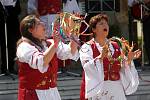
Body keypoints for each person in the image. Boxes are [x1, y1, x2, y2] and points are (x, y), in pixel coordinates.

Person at [79, 13, 141, 100]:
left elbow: (122, 66)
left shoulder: (115, 45)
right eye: (101, 24)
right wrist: (100, 57)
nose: (105, 25)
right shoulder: (87, 47)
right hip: (98, 88)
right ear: (93, 29)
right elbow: (87, 66)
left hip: (116, 88)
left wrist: (129, 60)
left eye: (106, 23)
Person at [16, 15, 79, 100]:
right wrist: (55, 44)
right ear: (30, 30)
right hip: (32, 94)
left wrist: (74, 30)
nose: (43, 24)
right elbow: (41, 62)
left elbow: (71, 51)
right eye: (38, 23)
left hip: (51, 93)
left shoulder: (49, 43)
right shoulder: (24, 47)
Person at [0, 0, 21, 74]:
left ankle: (11, 67)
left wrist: (11, 11)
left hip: (13, 22)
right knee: (4, 45)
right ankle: (4, 67)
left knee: (13, 45)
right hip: (3, 22)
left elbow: (18, 10)